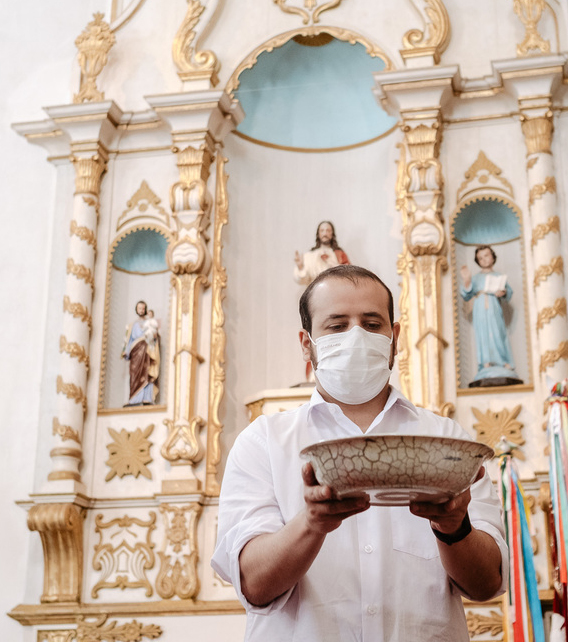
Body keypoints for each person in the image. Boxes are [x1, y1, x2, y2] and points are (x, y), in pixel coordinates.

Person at [212, 265, 506, 641]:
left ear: (394, 338)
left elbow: (486, 584)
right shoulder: (263, 443)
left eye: (372, 324)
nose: (356, 337)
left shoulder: (447, 439)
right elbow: (253, 584)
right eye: (336, 326)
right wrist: (311, 524)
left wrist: (455, 527)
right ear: (307, 343)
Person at [458, 245, 518, 386]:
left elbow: (508, 293)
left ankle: (503, 362)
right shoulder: (476, 278)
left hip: (494, 308)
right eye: (480, 258)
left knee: (498, 333)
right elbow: (466, 294)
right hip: (480, 310)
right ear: (477, 260)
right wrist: (467, 280)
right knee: (483, 335)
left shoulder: (499, 276)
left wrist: (503, 293)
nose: (484, 259)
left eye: (486, 255)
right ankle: (486, 363)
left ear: (492, 256)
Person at [120, 301, 160, 406]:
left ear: (145, 309)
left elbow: (154, 338)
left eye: (143, 308)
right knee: (134, 374)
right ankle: (133, 399)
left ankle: (147, 397)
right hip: (136, 352)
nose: (141, 310)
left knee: (147, 371)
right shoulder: (132, 325)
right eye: (139, 308)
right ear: (136, 310)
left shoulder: (149, 323)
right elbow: (129, 340)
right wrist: (126, 351)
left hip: (146, 351)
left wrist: (155, 336)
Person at [292, 220, 350, 285]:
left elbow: (349, 277)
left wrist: (336, 267)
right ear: (318, 234)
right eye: (322, 230)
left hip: (335, 292)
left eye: (328, 230)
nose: (325, 234)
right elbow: (302, 281)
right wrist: (301, 267)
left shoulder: (340, 254)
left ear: (332, 233)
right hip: (315, 292)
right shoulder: (309, 256)